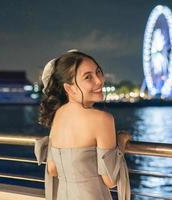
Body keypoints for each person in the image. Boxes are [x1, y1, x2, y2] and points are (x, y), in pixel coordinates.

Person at [34, 50, 131, 200]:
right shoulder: (102, 119)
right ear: (69, 88)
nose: (99, 81)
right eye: (88, 77)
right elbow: (110, 180)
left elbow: (52, 169)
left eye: (98, 72)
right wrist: (121, 143)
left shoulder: (58, 115)